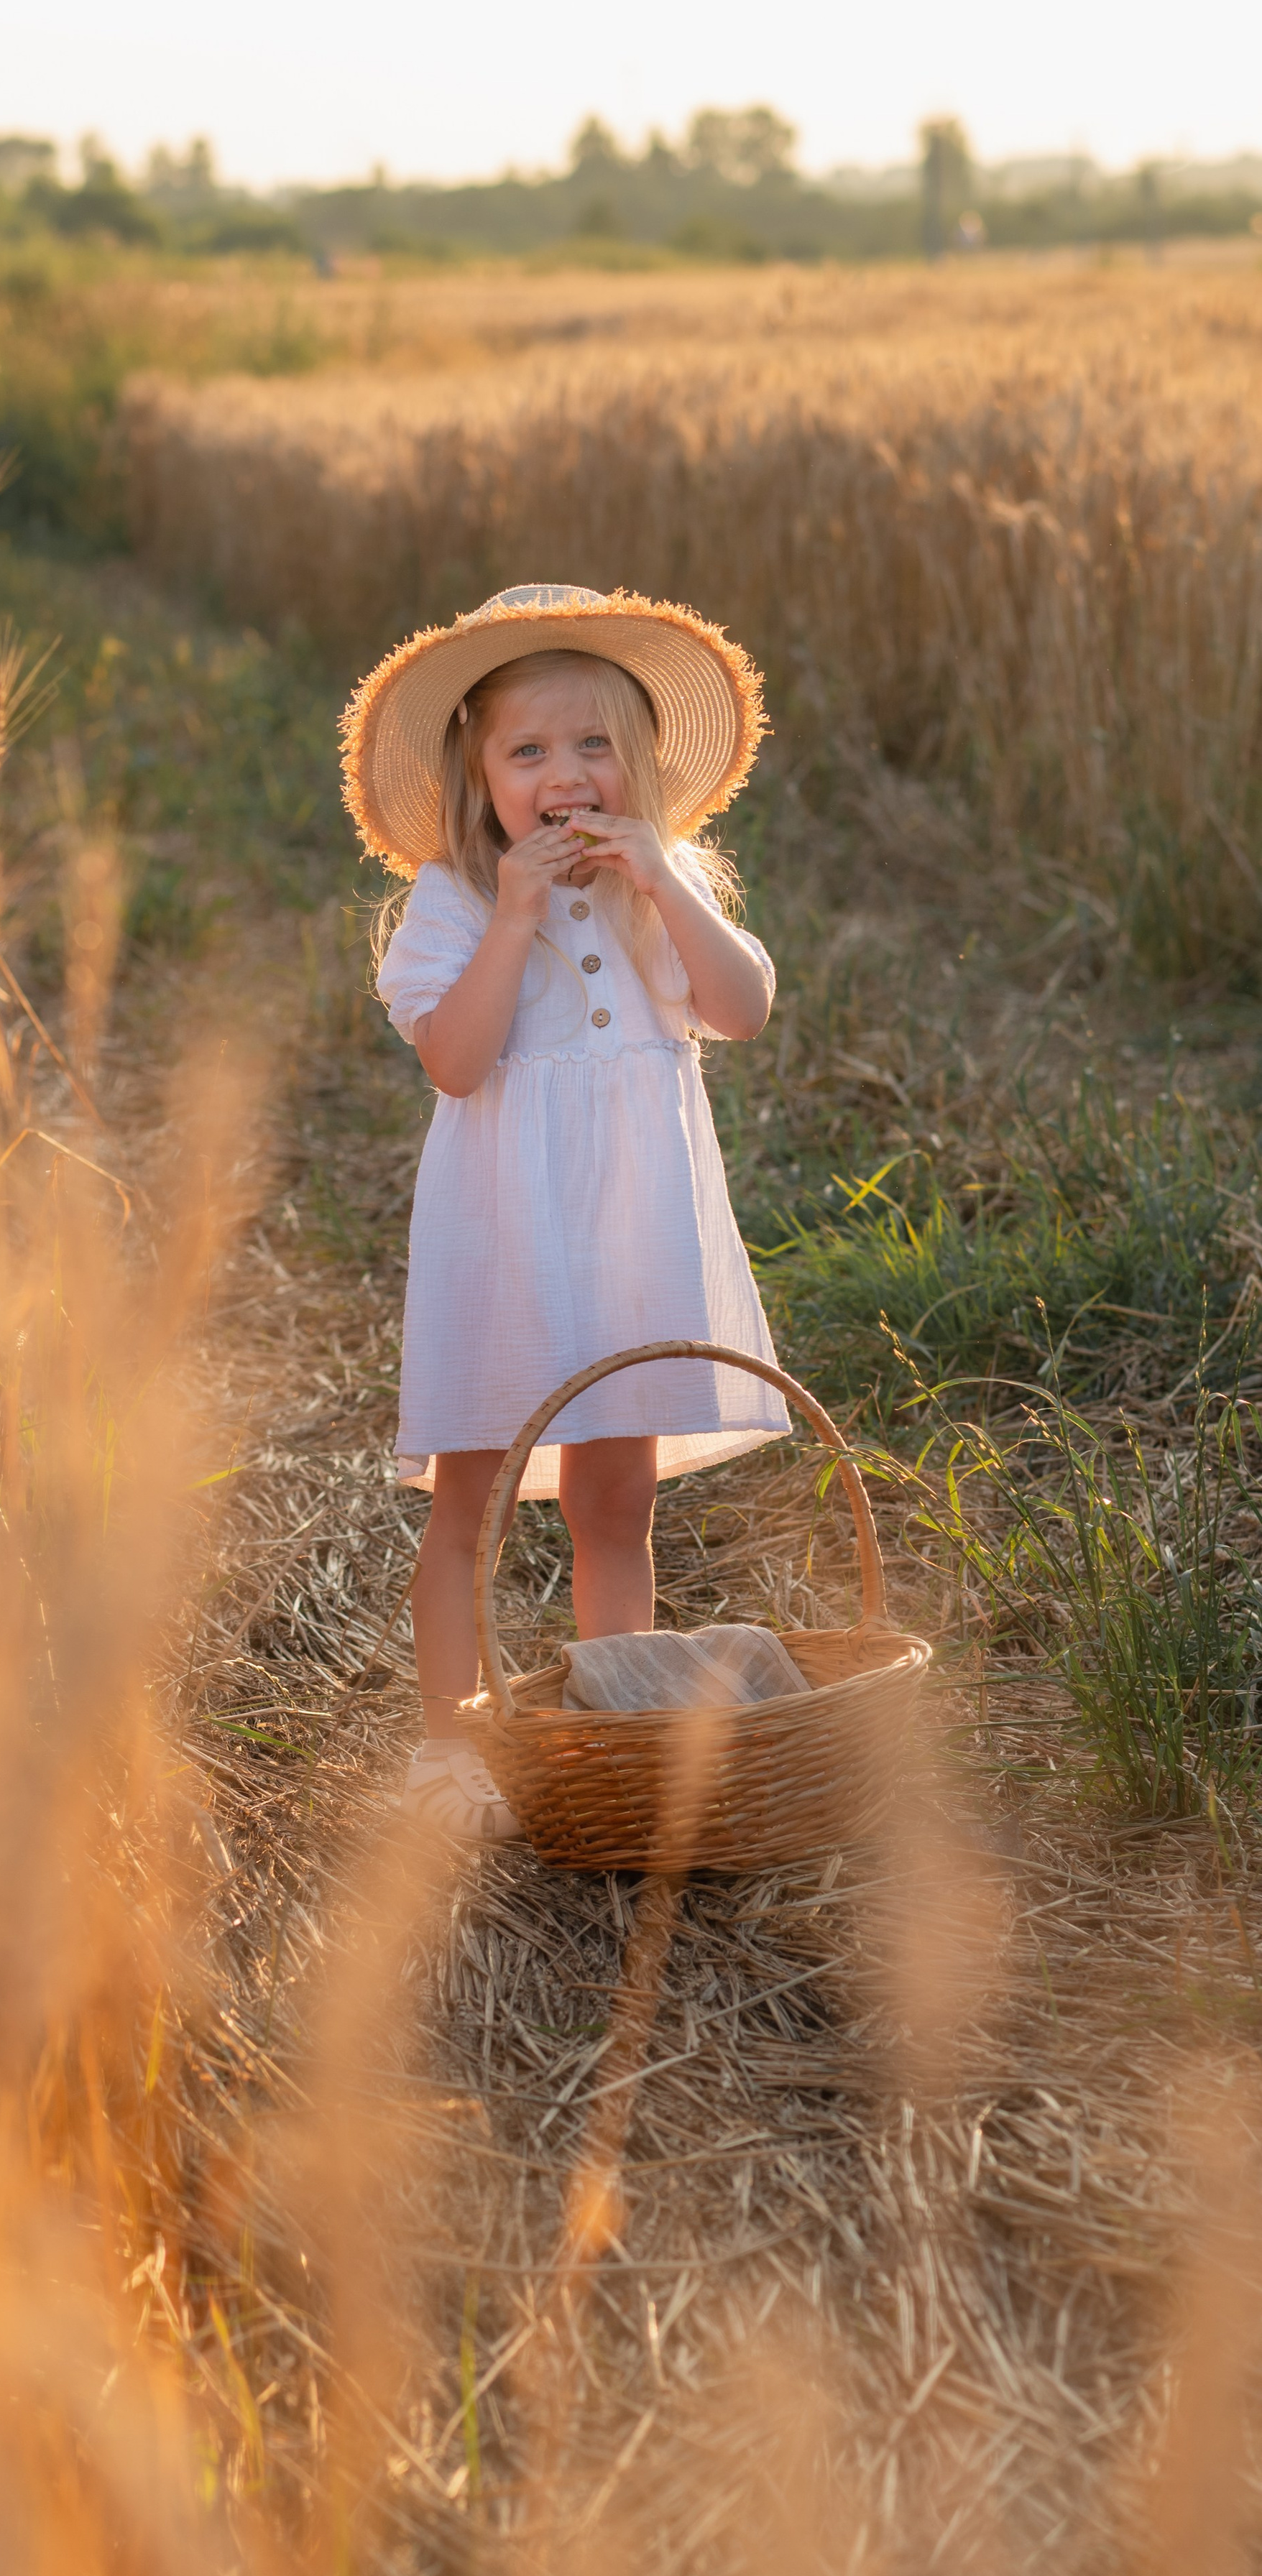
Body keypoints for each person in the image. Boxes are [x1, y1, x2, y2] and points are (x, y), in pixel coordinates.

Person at [342, 583, 789, 1842]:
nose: (567, 775)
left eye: (595, 745)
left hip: (632, 1234)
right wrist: (519, 914)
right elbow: (456, 1062)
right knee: (469, 1502)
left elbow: (743, 1007)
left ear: (638, 765)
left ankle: (621, 1718)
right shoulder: (456, 900)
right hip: (507, 1237)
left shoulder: (663, 888)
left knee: (614, 1502)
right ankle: (450, 1746)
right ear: (479, 777)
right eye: (529, 751)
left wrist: (663, 875)